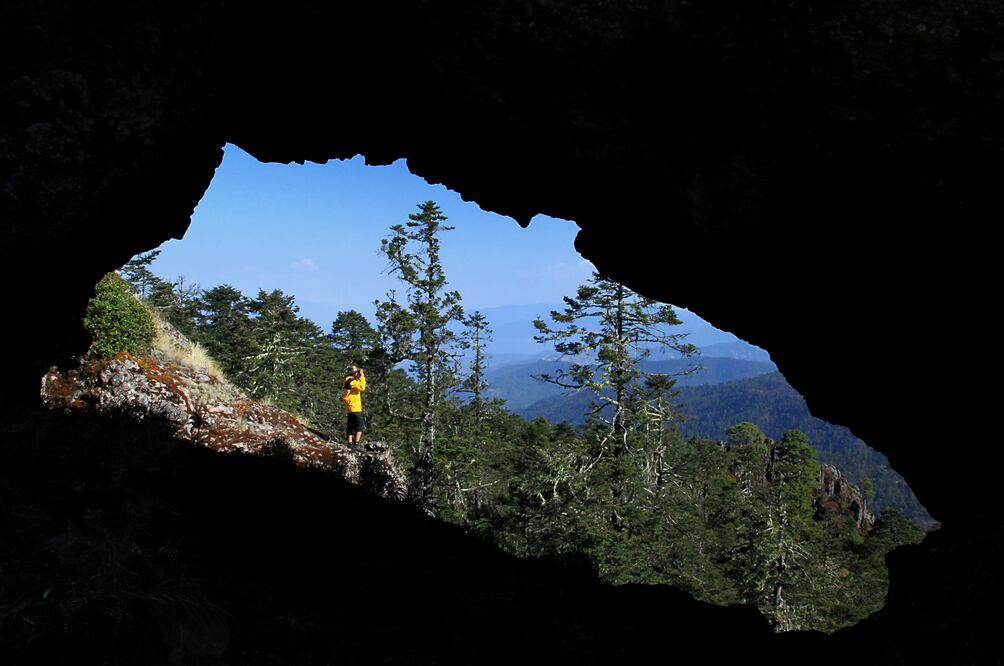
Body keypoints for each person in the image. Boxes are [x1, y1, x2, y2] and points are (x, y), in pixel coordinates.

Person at [342, 365, 367, 450]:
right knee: (359, 424)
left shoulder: (348, 379)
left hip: (350, 406)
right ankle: (356, 444)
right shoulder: (350, 380)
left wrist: (359, 376)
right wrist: (362, 377)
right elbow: (361, 387)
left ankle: (349, 443)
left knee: (350, 425)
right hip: (354, 406)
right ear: (353, 373)